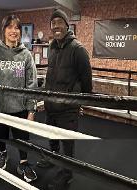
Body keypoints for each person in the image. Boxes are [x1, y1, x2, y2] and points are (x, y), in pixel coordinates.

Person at [36, 9, 92, 189]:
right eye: (53, 23)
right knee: (51, 136)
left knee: (67, 143)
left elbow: (86, 80)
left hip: (68, 108)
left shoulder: (78, 49)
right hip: (51, 104)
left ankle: (67, 174)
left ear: (67, 25)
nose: (56, 26)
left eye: (60, 22)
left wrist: (81, 103)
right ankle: (52, 158)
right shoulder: (52, 47)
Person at [0, 15, 38, 183]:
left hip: (20, 108)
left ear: (20, 31)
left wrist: (31, 110)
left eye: (17, 28)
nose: (13, 31)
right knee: (0, 135)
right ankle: (3, 155)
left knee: (23, 140)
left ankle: (23, 163)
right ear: (3, 30)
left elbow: (31, 84)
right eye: (9, 27)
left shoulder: (26, 55)